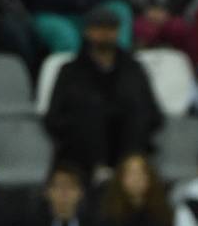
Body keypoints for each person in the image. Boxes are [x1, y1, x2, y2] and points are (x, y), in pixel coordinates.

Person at [47, 9, 161, 176]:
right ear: (87, 32)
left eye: (110, 29)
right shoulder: (70, 72)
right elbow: (54, 118)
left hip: (129, 155)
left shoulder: (134, 70)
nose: (105, 34)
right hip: (80, 157)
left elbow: (152, 113)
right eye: (99, 29)